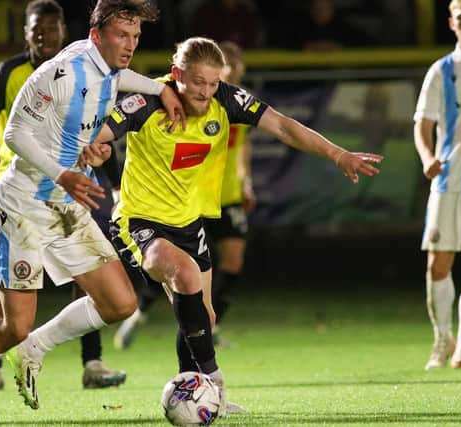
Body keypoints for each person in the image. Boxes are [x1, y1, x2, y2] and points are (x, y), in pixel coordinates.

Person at [90, 36, 382, 416]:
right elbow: (97, 132)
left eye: (213, 84)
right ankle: (217, 385)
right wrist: (94, 147)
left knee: (202, 318)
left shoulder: (225, 99)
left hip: (188, 221)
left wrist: (337, 153)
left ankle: (192, 392)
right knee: (185, 274)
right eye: (198, 83)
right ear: (177, 74)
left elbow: (283, 126)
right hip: (139, 220)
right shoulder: (146, 101)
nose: (207, 93)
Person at [0, 0, 186, 425]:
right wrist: (62, 173)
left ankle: (35, 348)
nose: (129, 44)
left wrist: (160, 88)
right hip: (24, 206)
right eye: (122, 36)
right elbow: (13, 133)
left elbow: (119, 76)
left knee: (120, 302)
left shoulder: (107, 69)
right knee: (11, 327)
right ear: (97, 34)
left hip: (65, 205)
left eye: (136, 36)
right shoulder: (61, 72)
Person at [0, 0, 125, 393]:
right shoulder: (8, 73)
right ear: (26, 32)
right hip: (19, 186)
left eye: (52, 29)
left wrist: (117, 183)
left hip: (72, 186)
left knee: (89, 270)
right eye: (37, 29)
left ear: (63, 31)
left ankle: (92, 361)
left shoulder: (85, 72)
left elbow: (100, 127)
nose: (44, 35)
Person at [112, 40, 255, 349]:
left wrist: (246, 181)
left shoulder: (231, 103)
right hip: (184, 200)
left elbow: (244, 144)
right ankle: (140, 313)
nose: (208, 88)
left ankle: (208, 334)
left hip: (224, 196)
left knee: (232, 262)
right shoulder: (168, 102)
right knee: (176, 270)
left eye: (231, 68)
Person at [414, 0, 461, 370]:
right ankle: (442, 339)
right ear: (452, 23)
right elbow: (423, 123)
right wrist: (426, 158)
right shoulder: (442, 71)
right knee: (438, 264)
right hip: (449, 182)